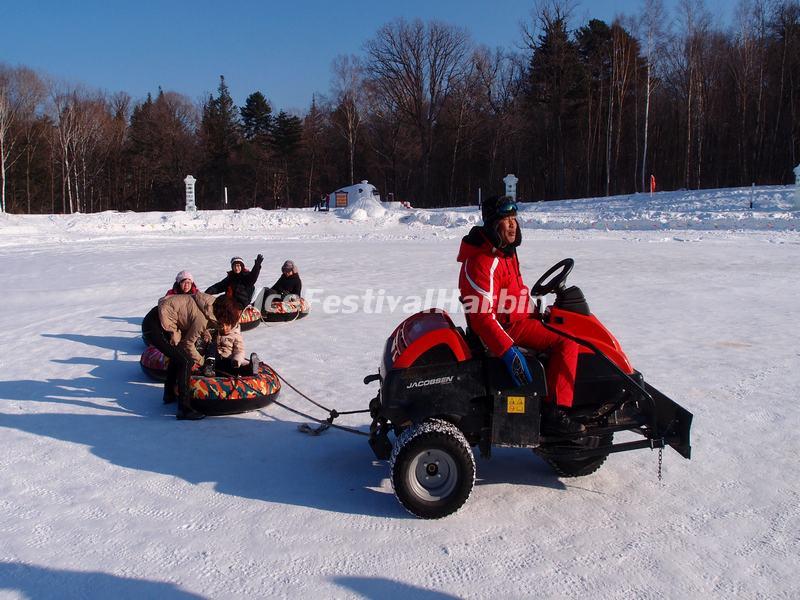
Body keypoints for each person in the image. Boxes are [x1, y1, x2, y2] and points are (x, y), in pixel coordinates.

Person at [457, 195, 582, 434]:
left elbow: (515, 295)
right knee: (567, 343)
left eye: (514, 217)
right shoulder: (484, 261)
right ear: (493, 223)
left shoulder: (505, 252)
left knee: (568, 325)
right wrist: (509, 352)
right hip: (508, 329)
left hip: (519, 319)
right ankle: (555, 412)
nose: (513, 224)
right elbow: (483, 317)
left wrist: (538, 313)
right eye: (506, 219)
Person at [141, 293, 239, 420]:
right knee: (185, 361)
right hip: (155, 325)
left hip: (160, 319)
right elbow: (188, 344)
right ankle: (184, 408)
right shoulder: (202, 318)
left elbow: (189, 317)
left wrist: (205, 333)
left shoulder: (209, 305)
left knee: (177, 357)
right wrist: (202, 361)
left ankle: (169, 393)